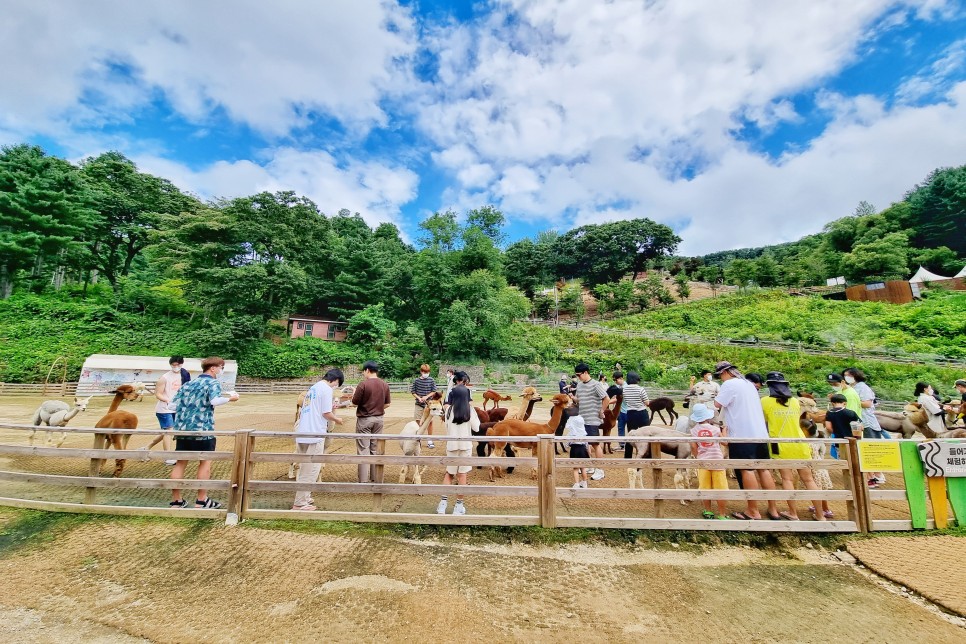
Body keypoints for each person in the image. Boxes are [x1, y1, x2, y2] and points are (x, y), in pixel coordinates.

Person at [712, 360, 779, 521]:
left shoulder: (729, 384)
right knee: (764, 470)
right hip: (760, 434)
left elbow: (717, 404)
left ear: (725, 372)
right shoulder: (749, 384)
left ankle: (753, 511)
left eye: (720, 375)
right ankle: (773, 509)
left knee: (746, 470)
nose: (721, 378)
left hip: (742, 435)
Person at [168, 356, 239, 509]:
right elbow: (214, 401)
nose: (221, 371)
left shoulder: (188, 384)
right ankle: (201, 500)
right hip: (203, 430)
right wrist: (231, 399)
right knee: (205, 462)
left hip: (182, 430)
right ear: (213, 368)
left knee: (180, 463)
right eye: (221, 367)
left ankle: (176, 501)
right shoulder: (213, 382)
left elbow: (171, 406)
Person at [760, 372, 825, 521]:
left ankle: (793, 513)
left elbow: (764, 422)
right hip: (800, 443)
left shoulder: (765, 401)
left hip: (780, 444)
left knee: (787, 479)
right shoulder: (795, 402)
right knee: (809, 480)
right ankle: (821, 515)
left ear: (770, 386)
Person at [292, 369, 345, 511]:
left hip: (303, 430)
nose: (336, 387)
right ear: (336, 380)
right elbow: (326, 413)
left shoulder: (313, 388)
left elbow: (316, 408)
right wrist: (337, 419)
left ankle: (305, 497)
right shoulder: (327, 389)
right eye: (337, 384)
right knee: (311, 469)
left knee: (304, 467)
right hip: (315, 433)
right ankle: (300, 503)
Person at [436, 375, 478, 516]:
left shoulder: (448, 411)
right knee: (462, 475)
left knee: (449, 473)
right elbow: (477, 428)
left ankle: (442, 504)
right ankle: (458, 507)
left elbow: (447, 426)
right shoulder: (470, 410)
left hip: (452, 446)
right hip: (465, 446)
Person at [844, 368, 887, 487]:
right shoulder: (853, 387)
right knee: (864, 450)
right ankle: (873, 476)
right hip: (859, 422)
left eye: (847, 375)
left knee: (869, 449)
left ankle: (876, 475)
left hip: (867, 422)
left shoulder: (862, 387)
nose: (846, 378)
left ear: (854, 375)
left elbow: (868, 403)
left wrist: (851, 401)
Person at [351, 361, 392, 484]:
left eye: (363, 371)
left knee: (363, 449)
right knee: (375, 448)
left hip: (364, 419)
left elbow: (354, 402)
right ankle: (375, 478)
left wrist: (354, 393)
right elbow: (388, 404)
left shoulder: (363, 384)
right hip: (379, 420)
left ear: (367, 370)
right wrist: (378, 408)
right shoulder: (384, 384)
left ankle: (363, 480)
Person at [688, 403, 728, 520]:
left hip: (703, 462)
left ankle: (708, 511)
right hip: (717, 462)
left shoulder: (693, 431)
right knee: (721, 489)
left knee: (705, 488)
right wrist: (724, 430)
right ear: (707, 417)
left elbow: (694, 447)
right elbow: (725, 442)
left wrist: (698, 456)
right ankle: (722, 514)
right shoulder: (715, 429)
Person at [574, 362, 611, 481]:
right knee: (584, 443)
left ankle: (600, 470)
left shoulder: (596, 384)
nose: (578, 377)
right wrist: (572, 398)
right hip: (581, 419)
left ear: (586, 372)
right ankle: (589, 465)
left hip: (592, 419)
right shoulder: (579, 385)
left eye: (579, 375)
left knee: (595, 444)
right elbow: (579, 400)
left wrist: (602, 411)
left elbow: (606, 398)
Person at [146, 355, 186, 465]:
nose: (176, 367)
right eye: (174, 365)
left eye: (178, 364)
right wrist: (168, 400)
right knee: (169, 431)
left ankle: (146, 447)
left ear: (182, 364)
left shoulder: (184, 375)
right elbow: (158, 394)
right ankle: (167, 457)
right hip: (164, 409)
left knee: (168, 431)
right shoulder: (164, 378)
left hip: (176, 409)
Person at [802, 421, 834, 519]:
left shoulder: (807, 444)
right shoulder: (818, 441)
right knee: (821, 490)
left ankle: (822, 509)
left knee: (816, 490)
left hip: (815, 470)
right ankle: (823, 508)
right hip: (821, 468)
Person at [622, 371, 651, 459]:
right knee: (647, 434)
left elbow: (625, 401)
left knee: (631, 434)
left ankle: (627, 456)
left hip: (630, 413)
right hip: (642, 413)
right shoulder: (640, 389)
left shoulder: (624, 389)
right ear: (636, 379)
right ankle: (648, 455)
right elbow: (647, 402)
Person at [411, 364, 438, 449]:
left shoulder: (431, 380)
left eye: (427, 372)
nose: (426, 373)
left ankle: (430, 440)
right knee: (418, 422)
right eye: (424, 372)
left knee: (430, 422)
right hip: (419, 404)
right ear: (421, 372)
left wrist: (426, 396)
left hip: (429, 405)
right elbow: (413, 392)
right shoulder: (416, 381)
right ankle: (418, 439)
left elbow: (434, 391)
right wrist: (419, 398)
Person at [565, 413, 590, 489]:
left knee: (575, 468)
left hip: (575, 449)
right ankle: (584, 482)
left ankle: (577, 483)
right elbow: (586, 443)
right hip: (583, 449)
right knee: (583, 467)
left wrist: (567, 445)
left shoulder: (572, 433)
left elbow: (567, 442)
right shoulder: (583, 432)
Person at [609, 371, 627, 447]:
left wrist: (607, 402)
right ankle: (622, 445)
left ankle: (627, 445)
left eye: (615, 380)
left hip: (627, 411)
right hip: (622, 411)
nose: (615, 382)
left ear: (621, 378)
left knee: (626, 428)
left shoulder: (625, 387)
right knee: (620, 428)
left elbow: (618, 400)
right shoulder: (619, 387)